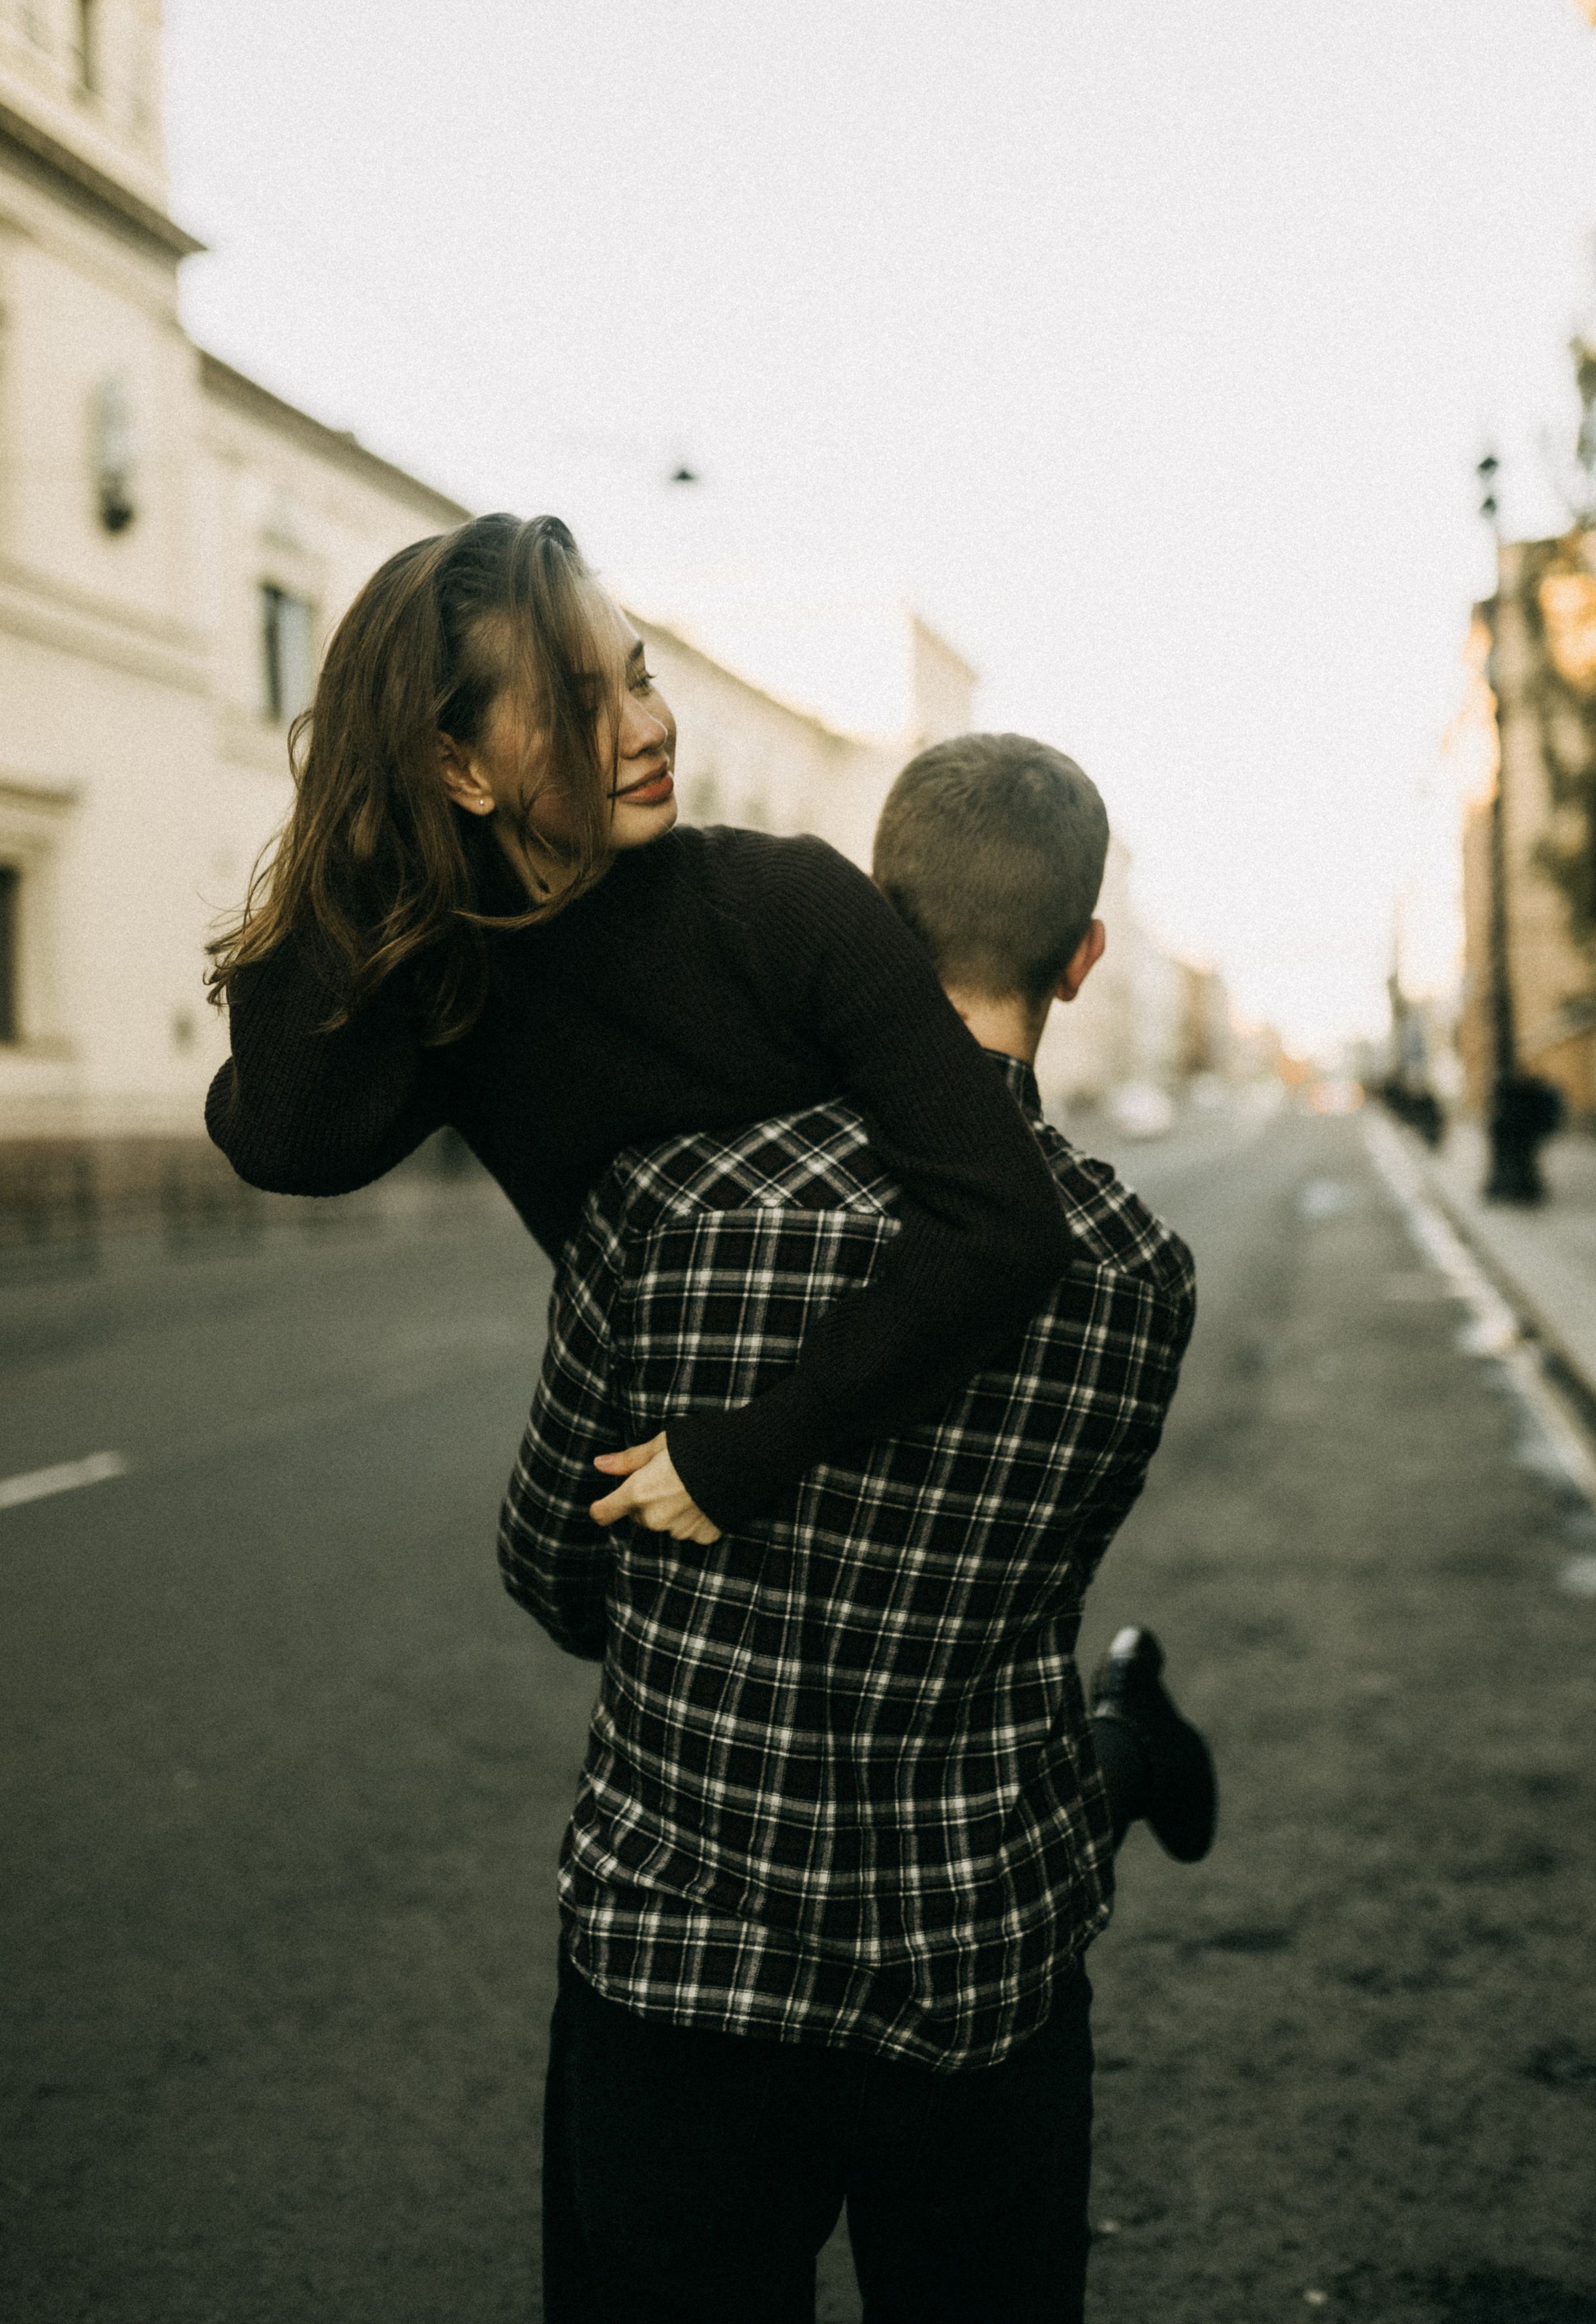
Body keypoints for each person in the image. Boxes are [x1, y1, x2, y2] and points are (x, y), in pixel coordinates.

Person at [500, 733, 1204, 2324]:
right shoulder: (1137, 1276)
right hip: (981, 1954)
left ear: (867, 924)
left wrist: (709, 1628)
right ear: (1081, 961)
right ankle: (1121, 1747)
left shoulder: (671, 1198)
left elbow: (552, 1562)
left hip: (679, 1963)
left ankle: (1124, 1746)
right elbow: (1040, 1576)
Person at [204, 513, 1072, 1539]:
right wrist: (353, 831)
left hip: (900, 1476)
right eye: (580, 707)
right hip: (683, 1532)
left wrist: (752, 1445)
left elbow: (1008, 1222)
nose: (649, 728)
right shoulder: (457, 989)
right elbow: (286, 1141)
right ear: (461, 768)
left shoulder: (784, 904)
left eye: (641, 679)